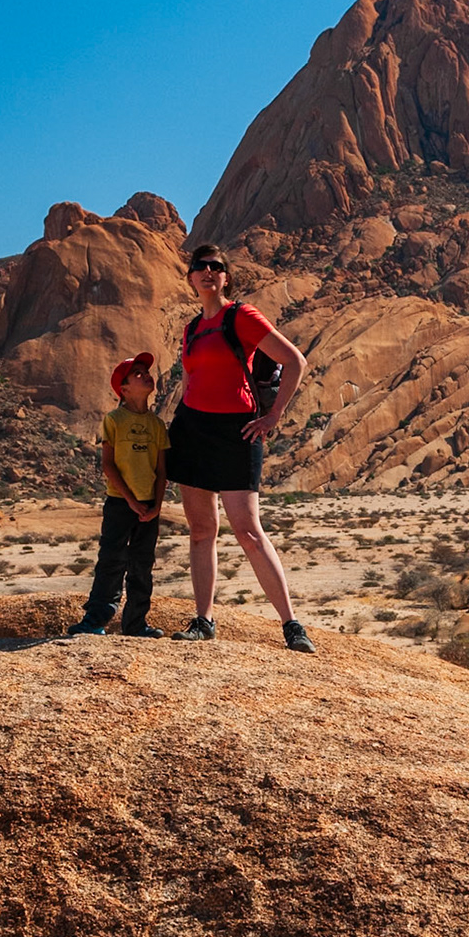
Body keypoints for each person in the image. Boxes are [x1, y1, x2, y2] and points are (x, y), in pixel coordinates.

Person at [165, 244, 316, 653]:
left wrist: (274, 416)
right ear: (191, 278)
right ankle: (204, 620)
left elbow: (294, 361)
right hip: (193, 429)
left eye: (216, 267)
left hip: (237, 431)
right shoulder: (192, 328)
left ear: (225, 277)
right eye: (200, 267)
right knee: (201, 531)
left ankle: (291, 625)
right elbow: (189, 380)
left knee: (248, 530)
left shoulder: (242, 316)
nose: (208, 272)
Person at [67, 354, 169, 638]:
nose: (145, 375)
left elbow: (162, 471)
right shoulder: (114, 420)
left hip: (149, 507)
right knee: (111, 560)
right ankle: (95, 620)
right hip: (120, 504)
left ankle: (136, 624)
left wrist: (156, 506)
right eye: (137, 373)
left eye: (146, 371)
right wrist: (131, 501)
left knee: (142, 566)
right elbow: (108, 466)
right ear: (123, 389)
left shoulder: (157, 425)